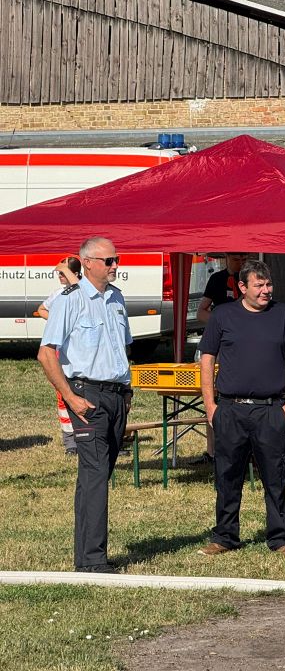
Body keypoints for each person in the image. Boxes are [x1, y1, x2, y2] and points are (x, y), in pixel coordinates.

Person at [196, 259, 285, 559]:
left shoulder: (284, 315)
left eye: (268, 284)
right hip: (230, 409)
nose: (265, 290)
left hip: (270, 410)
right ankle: (225, 536)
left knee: (276, 477)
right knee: (227, 476)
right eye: (258, 285)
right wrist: (210, 405)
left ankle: (280, 538)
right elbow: (207, 358)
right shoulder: (223, 315)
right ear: (242, 287)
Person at [37, 237, 132, 574]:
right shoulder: (70, 300)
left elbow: (123, 347)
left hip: (116, 396)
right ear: (87, 263)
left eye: (116, 259)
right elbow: (46, 354)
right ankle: (92, 560)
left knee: (97, 474)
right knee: (95, 474)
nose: (115, 266)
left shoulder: (117, 298)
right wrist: (70, 397)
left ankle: (86, 555)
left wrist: (127, 392)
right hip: (87, 395)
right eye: (109, 261)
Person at [192, 252, 250, 465]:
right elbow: (201, 312)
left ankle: (248, 450)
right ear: (226, 258)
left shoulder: (253, 278)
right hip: (223, 345)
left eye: (244, 259)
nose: (240, 263)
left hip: (247, 344)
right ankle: (213, 451)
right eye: (236, 259)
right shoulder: (217, 279)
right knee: (215, 399)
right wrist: (221, 321)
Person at [37, 256, 82, 456]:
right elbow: (40, 310)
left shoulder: (84, 292)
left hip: (80, 351)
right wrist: (58, 320)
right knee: (63, 394)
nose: (60, 277)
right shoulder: (58, 294)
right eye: (59, 274)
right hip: (60, 350)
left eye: (63, 273)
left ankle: (87, 436)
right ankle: (70, 440)